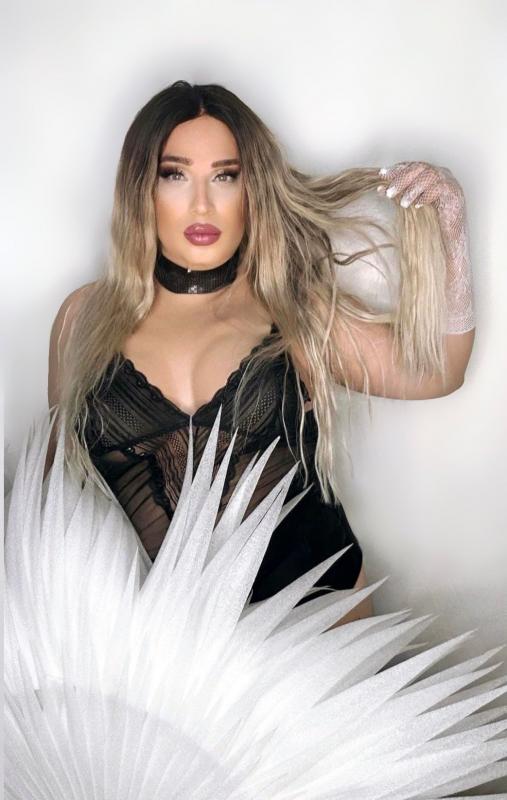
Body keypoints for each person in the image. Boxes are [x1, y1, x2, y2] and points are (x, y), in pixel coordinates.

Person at [43, 80, 475, 629]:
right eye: (175, 174)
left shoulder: (293, 313)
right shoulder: (83, 320)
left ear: (252, 190)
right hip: (161, 652)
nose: (202, 203)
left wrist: (451, 224)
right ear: (140, 189)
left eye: (226, 176)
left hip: (319, 641)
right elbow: (57, 500)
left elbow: (440, 370)